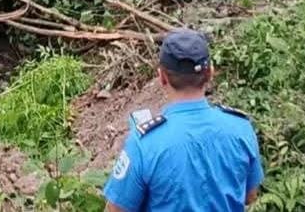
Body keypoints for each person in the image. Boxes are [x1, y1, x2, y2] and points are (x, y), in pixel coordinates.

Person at [103, 29, 264, 212]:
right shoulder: (241, 128)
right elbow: (250, 195)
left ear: (162, 77)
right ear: (210, 73)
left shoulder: (144, 144)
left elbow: (116, 209)